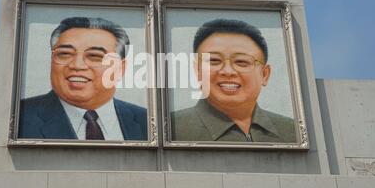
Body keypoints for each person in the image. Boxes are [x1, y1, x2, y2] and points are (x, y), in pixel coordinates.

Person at [19, 17, 147, 141]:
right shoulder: (19, 118)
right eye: (64, 54)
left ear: (120, 68)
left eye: (94, 56)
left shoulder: (146, 121)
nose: (77, 65)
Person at [172, 19, 296, 143]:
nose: (227, 71)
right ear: (197, 70)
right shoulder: (173, 128)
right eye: (214, 60)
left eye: (241, 62)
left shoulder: (292, 131)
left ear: (264, 74)